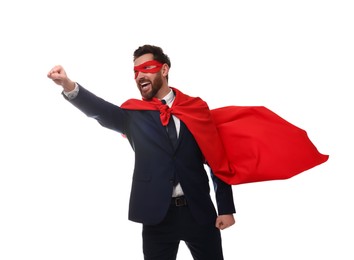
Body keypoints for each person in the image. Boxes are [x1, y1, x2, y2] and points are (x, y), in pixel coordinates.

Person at [47, 44, 236, 260]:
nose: (139, 76)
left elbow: (217, 158)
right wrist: (68, 85)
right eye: (135, 72)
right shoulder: (133, 115)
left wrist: (225, 207)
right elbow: (99, 111)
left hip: (200, 213)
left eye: (146, 68)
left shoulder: (196, 108)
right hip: (157, 217)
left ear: (164, 70)